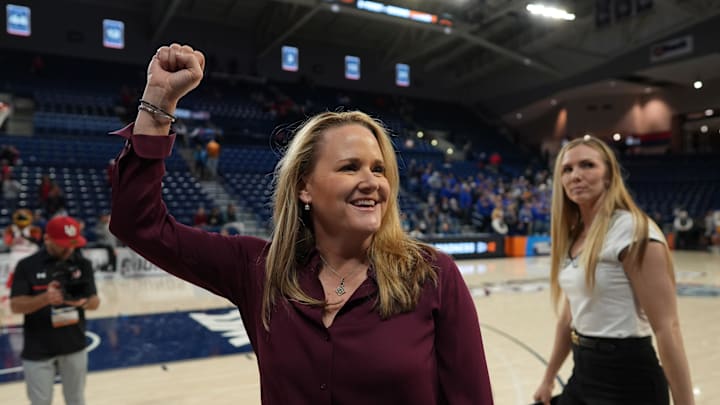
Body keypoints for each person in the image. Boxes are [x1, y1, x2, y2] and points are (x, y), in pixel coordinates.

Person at [108, 43, 493, 404]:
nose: (372, 182)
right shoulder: (259, 269)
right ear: (304, 187)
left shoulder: (432, 276)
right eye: (349, 167)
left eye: (379, 169)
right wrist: (157, 106)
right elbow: (139, 225)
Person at [532, 137, 694, 405]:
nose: (576, 176)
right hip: (583, 372)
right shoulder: (572, 237)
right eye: (567, 169)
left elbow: (668, 328)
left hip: (627, 380)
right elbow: (567, 319)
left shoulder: (633, 231)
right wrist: (548, 378)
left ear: (609, 176)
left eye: (587, 165)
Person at [10, 215, 100, 405]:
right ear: (47, 239)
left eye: (73, 244)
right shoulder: (27, 266)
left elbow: (95, 301)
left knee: (76, 399)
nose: (69, 249)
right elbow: (15, 305)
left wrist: (82, 302)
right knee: (40, 402)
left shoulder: (83, 264)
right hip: (38, 349)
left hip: (74, 346)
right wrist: (45, 299)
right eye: (63, 244)